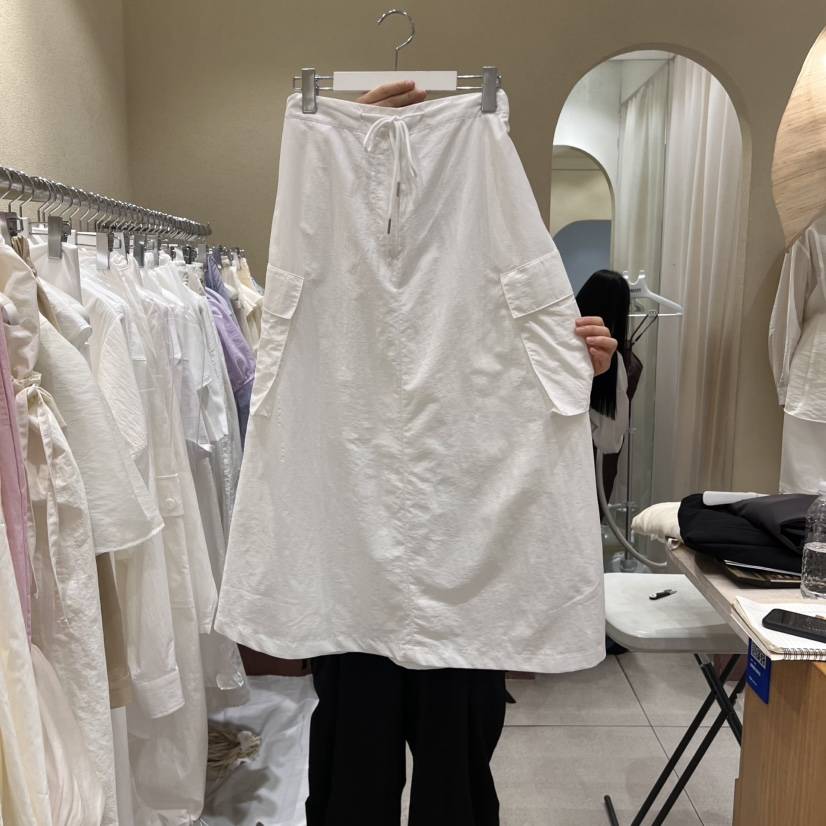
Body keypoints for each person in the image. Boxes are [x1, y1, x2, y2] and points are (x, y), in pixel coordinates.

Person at [305, 81, 619, 826]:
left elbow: (547, 385)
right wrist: (352, 142)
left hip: (470, 553)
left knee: (454, 778)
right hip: (354, 554)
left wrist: (580, 365)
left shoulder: (496, 243)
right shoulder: (329, 238)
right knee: (354, 773)